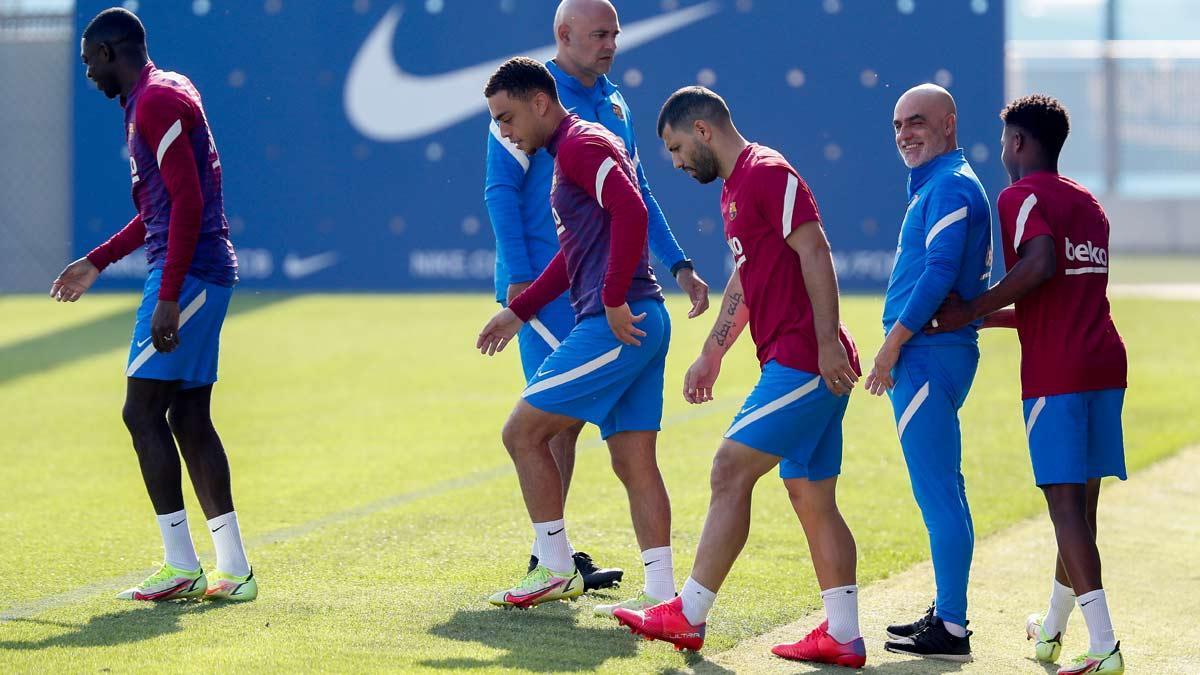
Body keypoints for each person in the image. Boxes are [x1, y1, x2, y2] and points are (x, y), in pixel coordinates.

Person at [612, 86, 865, 668]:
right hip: (801, 357)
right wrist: (713, 350)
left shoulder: (766, 173)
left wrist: (827, 343)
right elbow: (750, 276)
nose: (675, 163)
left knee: (729, 468)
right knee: (811, 495)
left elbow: (816, 253)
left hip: (805, 359)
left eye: (676, 148)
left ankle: (689, 615)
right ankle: (844, 635)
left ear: (702, 131)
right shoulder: (735, 187)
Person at [483, 0, 708, 593]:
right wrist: (519, 304)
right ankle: (663, 597)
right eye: (598, 32)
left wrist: (613, 297)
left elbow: (633, 206)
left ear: (537, 104)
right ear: (563, 36)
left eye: (506, 120)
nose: (503, 131)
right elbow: (568, 239)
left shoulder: (582, 139)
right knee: (631, 460)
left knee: (524, 431)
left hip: (615, 315)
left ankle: (551, 565)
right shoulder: (565, 141)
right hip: (624, 309)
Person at [51, 7, 255, 601]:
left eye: (90, 61)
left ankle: (181, 562)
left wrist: (167, 296)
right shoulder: (159, 92)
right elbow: (162, 208)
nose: (87, 73)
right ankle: (232, 567)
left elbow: (188, 203)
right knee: (187, 416)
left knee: (141, 413)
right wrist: (98, 260)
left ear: (111, 53)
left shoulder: (156, 101)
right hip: (194, 270)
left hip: (186, 274)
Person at [929, 94, 1127, 675]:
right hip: (1103, 364)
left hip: (1057, 374)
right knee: (1080, 510)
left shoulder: (1020, 196)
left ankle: (1105, 645)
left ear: (1017, 143)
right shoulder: (1090, 204)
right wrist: (992, 316)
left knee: (1064, 507)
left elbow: (1038, 265)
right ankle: (1051, 631)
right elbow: (1063, 296)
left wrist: (971, 310)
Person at [864, 84, 992, 662]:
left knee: (938, 492)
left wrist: (891, 346)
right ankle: (948, 614)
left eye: (916, 121)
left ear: (949, 123)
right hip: (937, 352)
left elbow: (939, 271)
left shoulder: (950, 185)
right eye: (896, 125)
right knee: (946, 489)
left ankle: (952, 626)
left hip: (927, 357)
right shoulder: (943, 185)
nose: (903, 134)